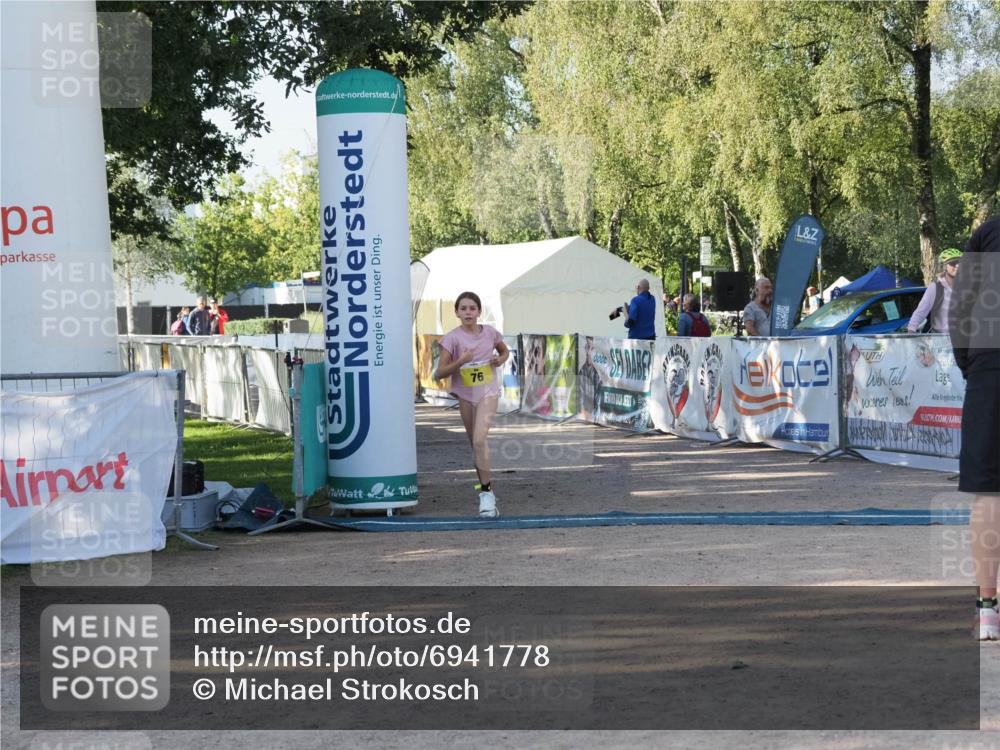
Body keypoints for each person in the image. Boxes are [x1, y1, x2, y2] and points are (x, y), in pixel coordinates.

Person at [947, 217, 1000, 640]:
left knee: (990, 489)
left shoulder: (988, 232)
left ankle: (987, 609)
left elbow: (960, 306)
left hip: (990, 360)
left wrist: (972, 362)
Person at [434, 291, 510, 518]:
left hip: (488, 392)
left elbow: (504, 350)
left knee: (479, 439)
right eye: (463, 308)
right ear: (456, 312)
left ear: (479, 311)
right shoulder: (451, 339)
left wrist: (500, 359)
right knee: (475, 445)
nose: (468, 312)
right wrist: (461, 361)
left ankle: (486, 494)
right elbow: (439, 374)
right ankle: (486, 490)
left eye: (472, 308)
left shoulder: (490, 333)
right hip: (465, 395)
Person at [907, 248, 963, 333]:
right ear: (944, 267)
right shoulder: (936, 288)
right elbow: (920, 312)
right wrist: (911, 330)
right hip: (940, 340)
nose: (958, 265)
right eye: (953, 263)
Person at [577, 336, 601, 421]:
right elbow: (579, 396)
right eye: (587, 347)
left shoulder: (598, 374)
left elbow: (598, 400)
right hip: (583, 415)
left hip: (593, 416)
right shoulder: (581, 372)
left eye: (591, 348)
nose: (588, 351)